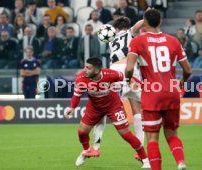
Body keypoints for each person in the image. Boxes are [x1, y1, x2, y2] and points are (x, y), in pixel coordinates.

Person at [125, 9, 191, 170]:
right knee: (172, 133)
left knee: (152, 138)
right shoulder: (174, 41)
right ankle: (180, 162)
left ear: (144, 22)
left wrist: (128, 80)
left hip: (151, 94)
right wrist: (182, 81)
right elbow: (188, 70)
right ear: (160, 22)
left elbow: (129, 68)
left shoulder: (137, 41)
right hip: (171, 92)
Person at [64, 58, 150, 168]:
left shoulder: (110, 74)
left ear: (97, 71)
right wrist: (72, 107)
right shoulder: (81, 78)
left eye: (88, 68)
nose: (84, 70)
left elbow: (129, 77)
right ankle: (87, 150)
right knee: (82, 132)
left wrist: (140, 85)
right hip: (94, 107)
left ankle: (146, 160)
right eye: (85, 67)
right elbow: (76, 95)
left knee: (126, 134)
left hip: (113, 107)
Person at [87, 16, 146, 160]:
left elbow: (100, 34)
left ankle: (95, 147)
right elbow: (138, 25)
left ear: (116, 28)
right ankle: (140, 150)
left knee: (103, 107)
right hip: (129, 69)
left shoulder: (111, 37)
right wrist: (146, 17)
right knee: (137, 110)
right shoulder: (129, 32)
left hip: (114, 70)